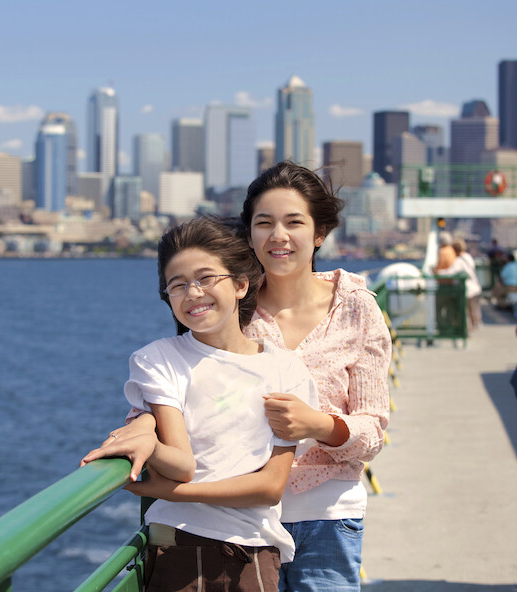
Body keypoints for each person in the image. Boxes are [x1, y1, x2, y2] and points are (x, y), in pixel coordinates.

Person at [90, 162, 391, 592]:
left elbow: (373, 430)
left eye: (294, 222)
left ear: (319, 233)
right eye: (264, 223)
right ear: (248, 234)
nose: (278, 236)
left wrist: (318, 425)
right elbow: (175, 382)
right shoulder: (226, 301)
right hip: (231, 522)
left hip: (327, 515)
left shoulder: (356, 307)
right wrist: (140, 424)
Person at [81, 217, 320, 592]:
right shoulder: (158, 359)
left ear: (241, 284)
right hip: (177, 547)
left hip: (254, 554)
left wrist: (164, 492)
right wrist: (149, 441)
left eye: (206, 278)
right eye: (177, 285)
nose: (192, 293)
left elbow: (271, 487)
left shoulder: (284, 368)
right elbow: (182, 464)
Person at [437, 238, 482, 330]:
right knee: (473, 310)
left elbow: (450, 272)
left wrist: (437, 272)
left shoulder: (459, 261)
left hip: (467, 290)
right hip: (475, 288)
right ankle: (474, 326)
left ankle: (466, 330)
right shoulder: (468, 257)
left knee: (465, 311)